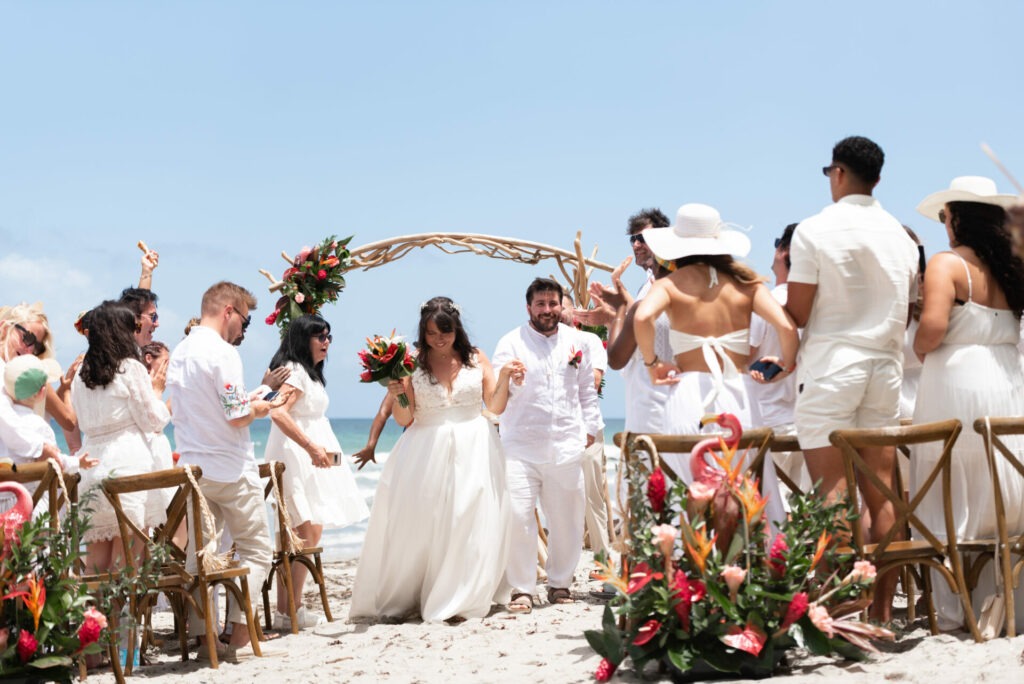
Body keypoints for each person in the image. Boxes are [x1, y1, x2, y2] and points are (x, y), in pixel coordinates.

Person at [785, 135, 919, 622]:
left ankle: (843, 613)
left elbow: (799, 312)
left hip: (832, 366)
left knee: (833, 494)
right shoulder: (901, 236)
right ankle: (880, 613)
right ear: (877, 179)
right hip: (885, 367)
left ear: (838, 173)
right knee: (883, 493)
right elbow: (907, 306)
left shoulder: (815, 229)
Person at [351, 297, 518, 622]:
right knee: (426, 522)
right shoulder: (411, 363)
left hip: (475, 446)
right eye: (431, 333)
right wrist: (399, 392)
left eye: (445, 332)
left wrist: (506, 377)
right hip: (426, 447)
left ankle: (460, 597)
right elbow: (405, 418)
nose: (439, 339)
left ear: (457, 329)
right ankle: (416, 595)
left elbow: (494, 407)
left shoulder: (476, 357)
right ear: (422, 333)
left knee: (469, 518)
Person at [633, 203, 795, 531]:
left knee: (688, 489)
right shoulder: (746, 283)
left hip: (688, 395)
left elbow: (642, 317)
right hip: (739, 397)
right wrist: (785, 365)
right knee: (747, 488)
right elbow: (786, 327)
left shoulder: (670, 284)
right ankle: (753, 558)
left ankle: (690, 559)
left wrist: (653, 364)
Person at [911, 175, 1024, 631]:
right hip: (1007, 380)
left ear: (957, 218)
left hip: (956, 380)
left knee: (951, 483)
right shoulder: (1012, 266)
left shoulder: (947, 264)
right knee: (999, 483)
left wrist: (918, 348)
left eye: (944, 216)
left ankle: (959, 606)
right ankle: (1006, 595)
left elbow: (933, 329)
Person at [166, 281, 276, 660]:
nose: (243, 328)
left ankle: (204, 639)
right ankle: (239, 636)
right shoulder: (222, 352)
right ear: (229, 310)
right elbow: (236, 415)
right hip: (230, 467)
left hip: (194, 469)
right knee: (257, 551)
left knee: (201, 556)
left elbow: (203, 407)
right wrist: (260, 407)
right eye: (245, 319)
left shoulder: (180, 352)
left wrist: (246, 401)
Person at [492, 279, 602, 613]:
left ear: (560, 305)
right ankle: (522, 589)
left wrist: (591, 428)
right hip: (520, 446)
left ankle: (560, 583)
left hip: (566, 443)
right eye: (540, 304)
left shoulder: (577, 341)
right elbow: (497, 393)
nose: (547, 310)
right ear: (528, 307)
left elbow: (587, 390)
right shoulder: (510, 342)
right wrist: (512, 380)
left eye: (553, 303)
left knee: (567, 518)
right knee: (518, 517)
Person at [265, 314, 368, 629]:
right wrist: (311, 447)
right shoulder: (296, 371)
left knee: (304, 532)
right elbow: (277, 412)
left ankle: (289, 610)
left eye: (328, 336)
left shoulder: (307, 372)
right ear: (303, 339)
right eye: (320, 336)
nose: (326, 342)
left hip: (309, 457)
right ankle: (290, 610)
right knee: (303, 533)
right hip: (298, 457)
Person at [72, 302, 170, 572]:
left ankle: (92, 603)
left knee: (96, 566)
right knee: (126, 564)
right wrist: (157, 392)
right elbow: (152, 420)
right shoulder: (129, 368)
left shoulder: (80, 374)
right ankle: (122, 604)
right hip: (128, 468)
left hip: (91, 467)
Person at [748, 223, 807, 494]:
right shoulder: (812, 307)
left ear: (784, 251)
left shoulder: (768, 302)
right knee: (800, 499)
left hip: (768, 415)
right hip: (804, 418)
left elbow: (743, 358)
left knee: (770, 500)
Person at [0, 355, 96, 504]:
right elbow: (54, 462)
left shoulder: (7, 428)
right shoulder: (38, 425)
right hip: (30, 501)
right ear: (42, 392)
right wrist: (77, 462)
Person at [560, 295, 612, 566]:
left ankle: (603, 562)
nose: (556, 311)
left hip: (586, 425)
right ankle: (562, 564)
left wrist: (568, 367)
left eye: (561, 306)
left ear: (574, 312)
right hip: (553, 429)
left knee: (592, 496)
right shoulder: (539, 344)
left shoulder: (589, 341)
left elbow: (595, 380)